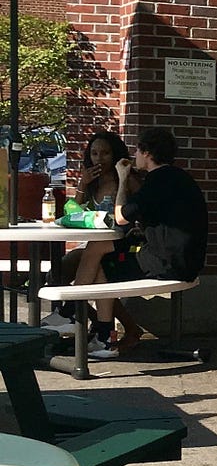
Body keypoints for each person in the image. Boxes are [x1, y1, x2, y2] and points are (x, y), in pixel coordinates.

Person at [71, 126, 208, 358]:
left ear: (146, 153)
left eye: (138, 150)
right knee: (98, 250)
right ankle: (85, 323)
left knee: (102, 263)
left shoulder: (155, 181)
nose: (135, 155)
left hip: (168, 262)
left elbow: (121, 216)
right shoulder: (180, 177)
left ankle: (88, 325)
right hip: (186, 258)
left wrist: (123, 179)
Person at [44, 130, 132, 323]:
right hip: (93, 242)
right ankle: (79, 318)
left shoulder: (125, 179)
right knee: (57, 274)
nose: (99, 158)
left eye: (105, 153)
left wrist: (123, 179)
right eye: (94, 153)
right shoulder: (92, 180)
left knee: (97, 276)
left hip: (119, 242)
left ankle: (71, 315)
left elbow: (134, 210)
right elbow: (73, 213)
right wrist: (82, 184)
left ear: (115, 154)